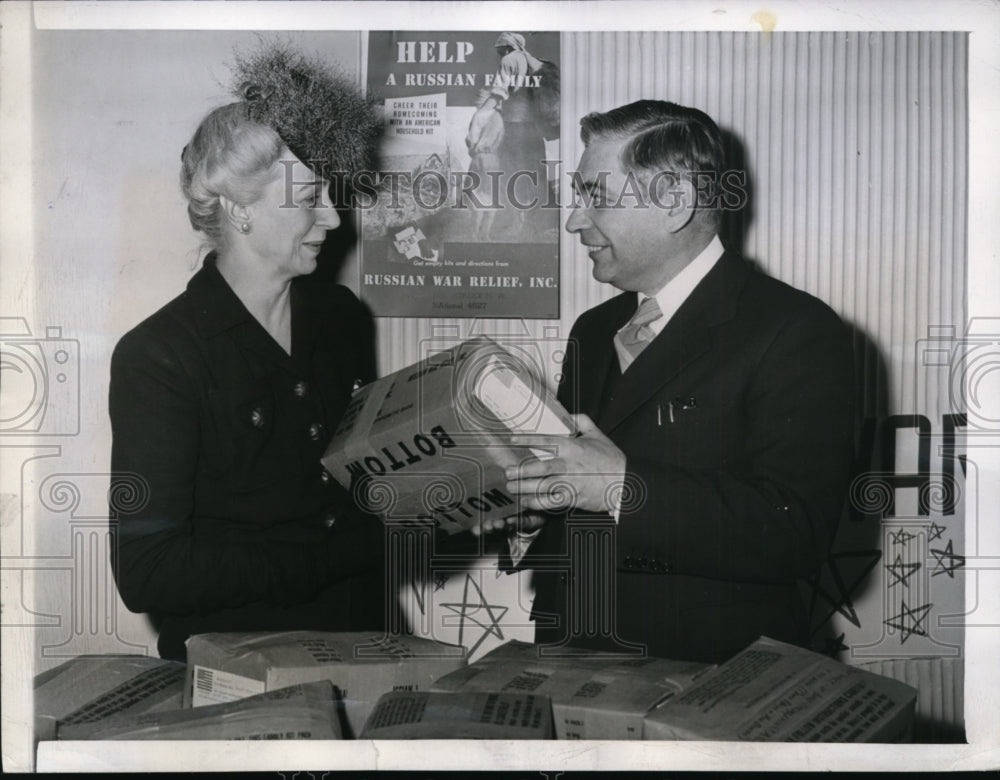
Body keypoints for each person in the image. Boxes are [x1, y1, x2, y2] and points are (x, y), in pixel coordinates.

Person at [504, 100, 856, 664]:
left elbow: (796, 536)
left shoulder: (795, 329)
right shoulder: (593, 331)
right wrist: (532, 508)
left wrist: (620, 485)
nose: (573, 220)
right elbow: (579, 492)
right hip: (573, 666)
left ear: (674, 203)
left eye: (596, 195)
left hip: (713, 684)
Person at [108, 51, 386, 662]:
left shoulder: (341, 317)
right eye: (310, 197)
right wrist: (347, 553)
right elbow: (147, 572)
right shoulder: (159, 357)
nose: (334, 218)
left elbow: (367, 483)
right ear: (240, 208)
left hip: (369, 648)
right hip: (239, 672)